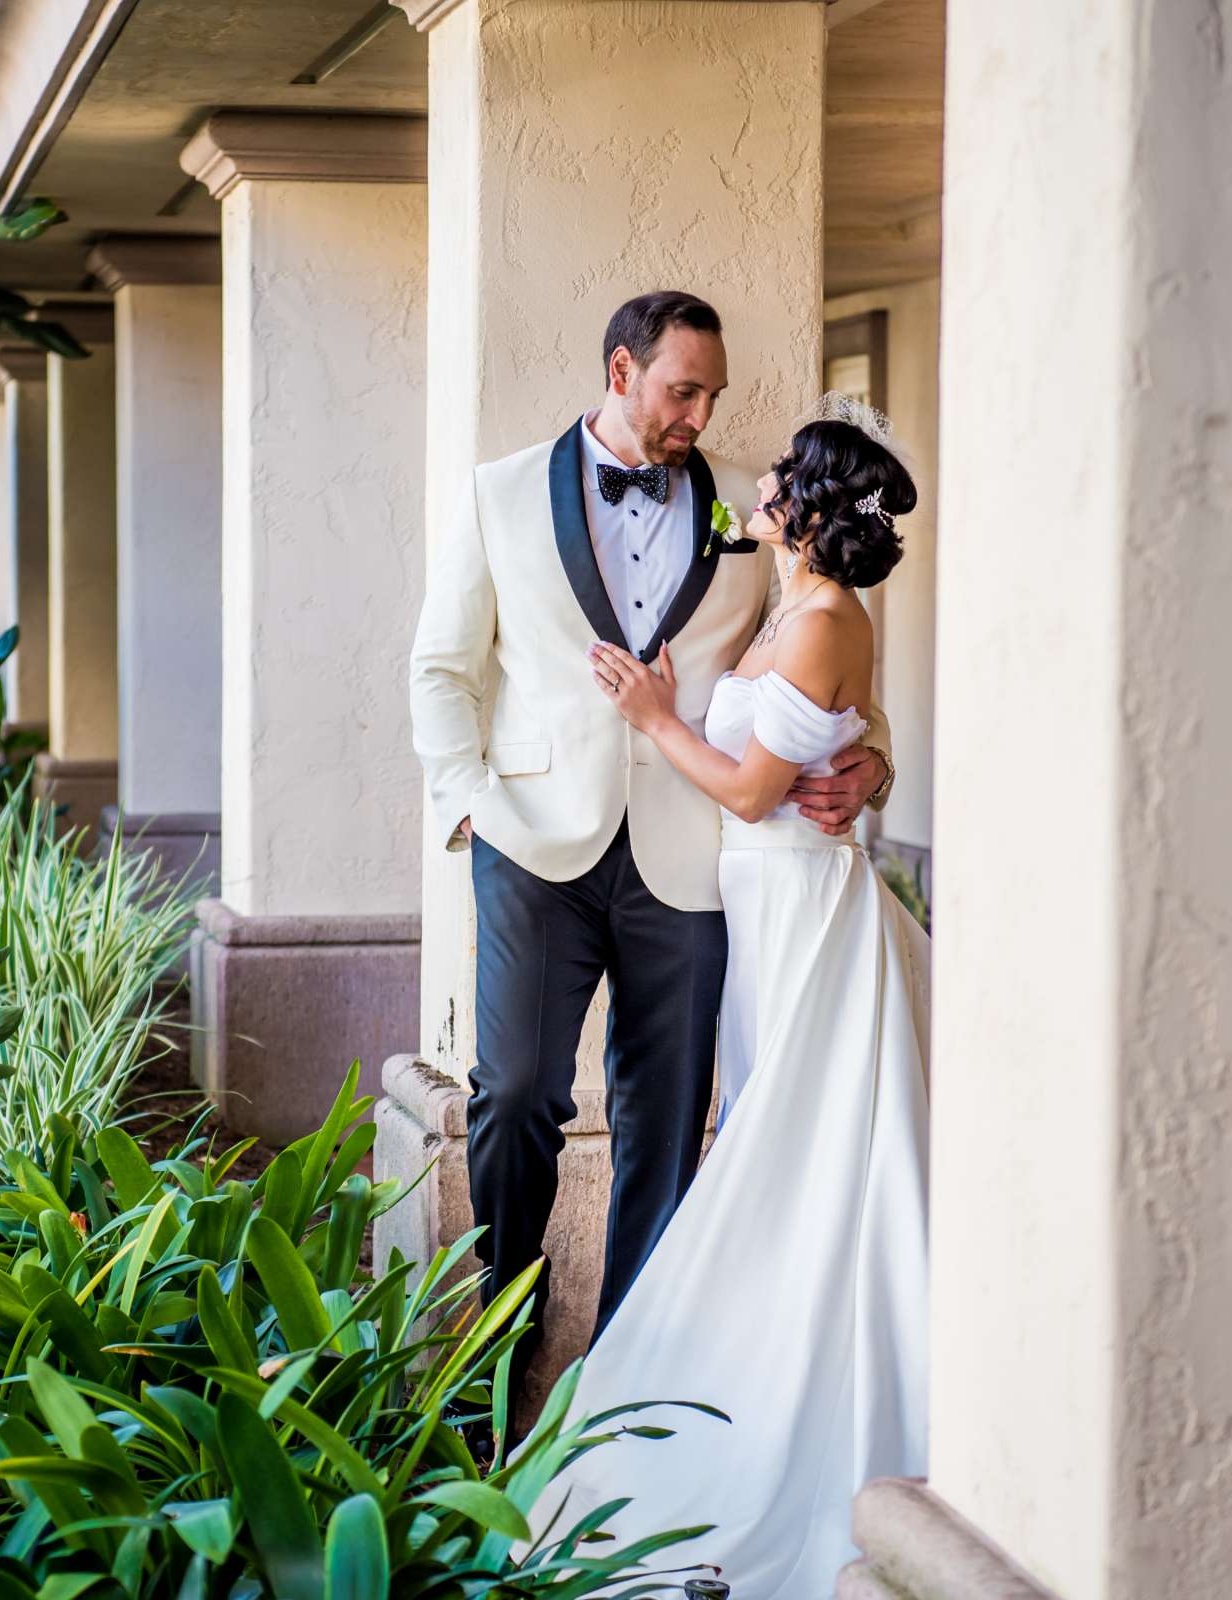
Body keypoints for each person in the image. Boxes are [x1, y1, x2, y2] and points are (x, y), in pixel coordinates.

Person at [407, 291, 891, 1413]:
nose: (702, 412)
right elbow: (441, 666)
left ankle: (628, 1380)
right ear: (621, 371)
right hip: (531, 840)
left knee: (665, 1116)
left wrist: (877, 769)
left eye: (713, 393)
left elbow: (822, 672)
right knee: (518, 1090)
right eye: (685, 390)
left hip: (698, 851)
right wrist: (468, 798)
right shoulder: (499, 493)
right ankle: (500, 1337)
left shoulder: (754, 517)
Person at [529, 400, 934, 1597]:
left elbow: (757, 791)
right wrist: (875, 757)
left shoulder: (824, 622)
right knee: (776, 1135)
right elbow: (837, 737)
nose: (752, 495)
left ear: (806, 511)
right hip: (758, 917)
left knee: (793, 1158)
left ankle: (804, 1419)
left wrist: (654, 720)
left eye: (771, 487)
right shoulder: (790, 607)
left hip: (807, 913)